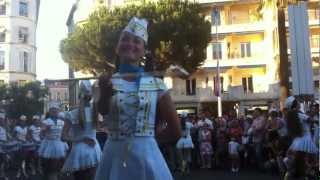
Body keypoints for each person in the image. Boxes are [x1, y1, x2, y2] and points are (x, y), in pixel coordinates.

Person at [94, 17, 181, 180]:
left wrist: (148, 141)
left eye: (137, 41)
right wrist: (104, 93)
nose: (130, 44)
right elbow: (102, 112)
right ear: (117, 47)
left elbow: (175, 131)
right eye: (125, 39)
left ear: (144, 50)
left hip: (147, 158)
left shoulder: (157, 85)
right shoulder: (106, 81)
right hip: (113, 158)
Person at [62, 80, 102, 180]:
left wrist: (81, 139)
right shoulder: (96, 113)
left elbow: (63, 137)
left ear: (79, 96)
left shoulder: (72, 114)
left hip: (80, 152)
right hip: (94, 151)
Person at [284, 96, 318, 179]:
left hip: (298, 140)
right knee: (311, 159)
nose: (299, 103)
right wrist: (314, 114)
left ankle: (293, 173)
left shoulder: (293, 115)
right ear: (295, 104)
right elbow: (311, 120)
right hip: (306, 139)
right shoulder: (299, 114)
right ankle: (307, 174)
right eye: (298, 102)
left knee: (297, 159)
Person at [38, 102, 68, 180]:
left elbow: (65, 133)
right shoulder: (46, 122)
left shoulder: (62, 122)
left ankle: (56, 176)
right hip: (49, 145)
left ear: (58, 111)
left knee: (60, 164)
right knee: (51, 167)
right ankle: (50, 176)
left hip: (60, 144)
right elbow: (41, 136)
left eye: (56, 110)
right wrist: (45, 130)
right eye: (52, 110)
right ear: (50, 111)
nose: (54, 112)